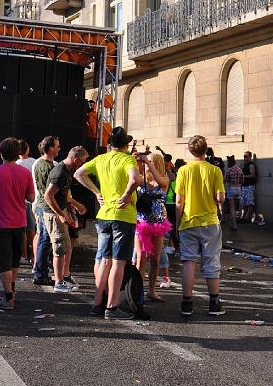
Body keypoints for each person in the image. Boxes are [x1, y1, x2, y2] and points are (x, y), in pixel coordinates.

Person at [75, 126, 140, 320]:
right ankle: (112, 307)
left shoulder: (101, 158)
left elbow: (79, 174)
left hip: (104, 215)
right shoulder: (127, 159)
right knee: (119, 263)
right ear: (126, 145)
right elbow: (136, 179)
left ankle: (97, 303)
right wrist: (127, 194)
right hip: (123, 216)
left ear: (109, 144)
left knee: (104, 260)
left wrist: (96, 192)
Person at [0, 137, 35, 311]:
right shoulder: (25, 173)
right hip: (20, 222)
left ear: (1, 152)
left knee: (4, 261)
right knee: (14, 260)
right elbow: (31, 198)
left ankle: (8, 298)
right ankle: (11, 292)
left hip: (0, 222)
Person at [175, 135, 226, 317]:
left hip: (188, 221)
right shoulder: (215, 171)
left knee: (189, 261)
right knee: (211, 261)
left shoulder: (183, 171)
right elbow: (220, 198)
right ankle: (214, 303)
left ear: (190, 150)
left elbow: (179, 201)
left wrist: (177, 222)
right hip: (210, 222)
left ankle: (187, 303)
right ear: (206, 150)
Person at [43, 146, 88, 292]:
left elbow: (62, 195)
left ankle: (63, 277)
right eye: (82, 162)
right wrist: (61, 214)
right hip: (54, 214)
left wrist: (73, 205)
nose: (82, 165)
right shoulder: (61, 172)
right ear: (76, 160)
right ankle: (58, 282)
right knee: (59, 247)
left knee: (66, 245)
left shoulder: (67, 171)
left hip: (59, 211)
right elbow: (48, 196)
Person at [134, 153, 171, 301]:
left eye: (150, 161)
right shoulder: (142, 179)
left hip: (158, 224)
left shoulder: (165, 179)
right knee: (140, 259)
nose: (146, 163)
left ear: (156, 163)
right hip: (142, 223)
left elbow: (161, 182)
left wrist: (148, 164)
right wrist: (135, 161)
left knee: (155, 259)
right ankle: (137, 291)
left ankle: (151, 290)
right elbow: (133, 178)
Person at [31, 136, 60, 286]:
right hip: (46, 206)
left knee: (42, 238)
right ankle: (40, 274)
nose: (59, 148)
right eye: (57, 146)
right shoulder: (49, 166)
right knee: (45, 239)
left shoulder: (38, 163)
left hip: (40, 204)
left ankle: (39, 271)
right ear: (50, 148)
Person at [16, 139, 38, 262]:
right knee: (32, 230)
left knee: (22, 230)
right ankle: (34, 256)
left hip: (20, 200)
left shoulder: (16, 164)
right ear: (27, 149)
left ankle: (24, 255)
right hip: (32, 199)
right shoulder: (34, 162)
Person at [224, 155, 244, 231]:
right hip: (238, 188)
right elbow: (243, 180)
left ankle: (234, 225)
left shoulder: (228, 170)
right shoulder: (239, 169)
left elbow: (224, 179)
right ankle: (239, 217)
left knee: (232, 208)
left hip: (231, 188)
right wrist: (239, 184)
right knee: (238, 207)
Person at [239, 150, 257, 223]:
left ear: (250, 157)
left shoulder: (251, 165)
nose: (244, 158)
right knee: (244, 203)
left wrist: (244, 176)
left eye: (246, 156)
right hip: (244, 186)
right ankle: (243, 218)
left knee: (250, 203)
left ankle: (247, 218)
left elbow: (253, 175)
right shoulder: (245, 164)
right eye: (244, 156)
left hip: (249, 186)